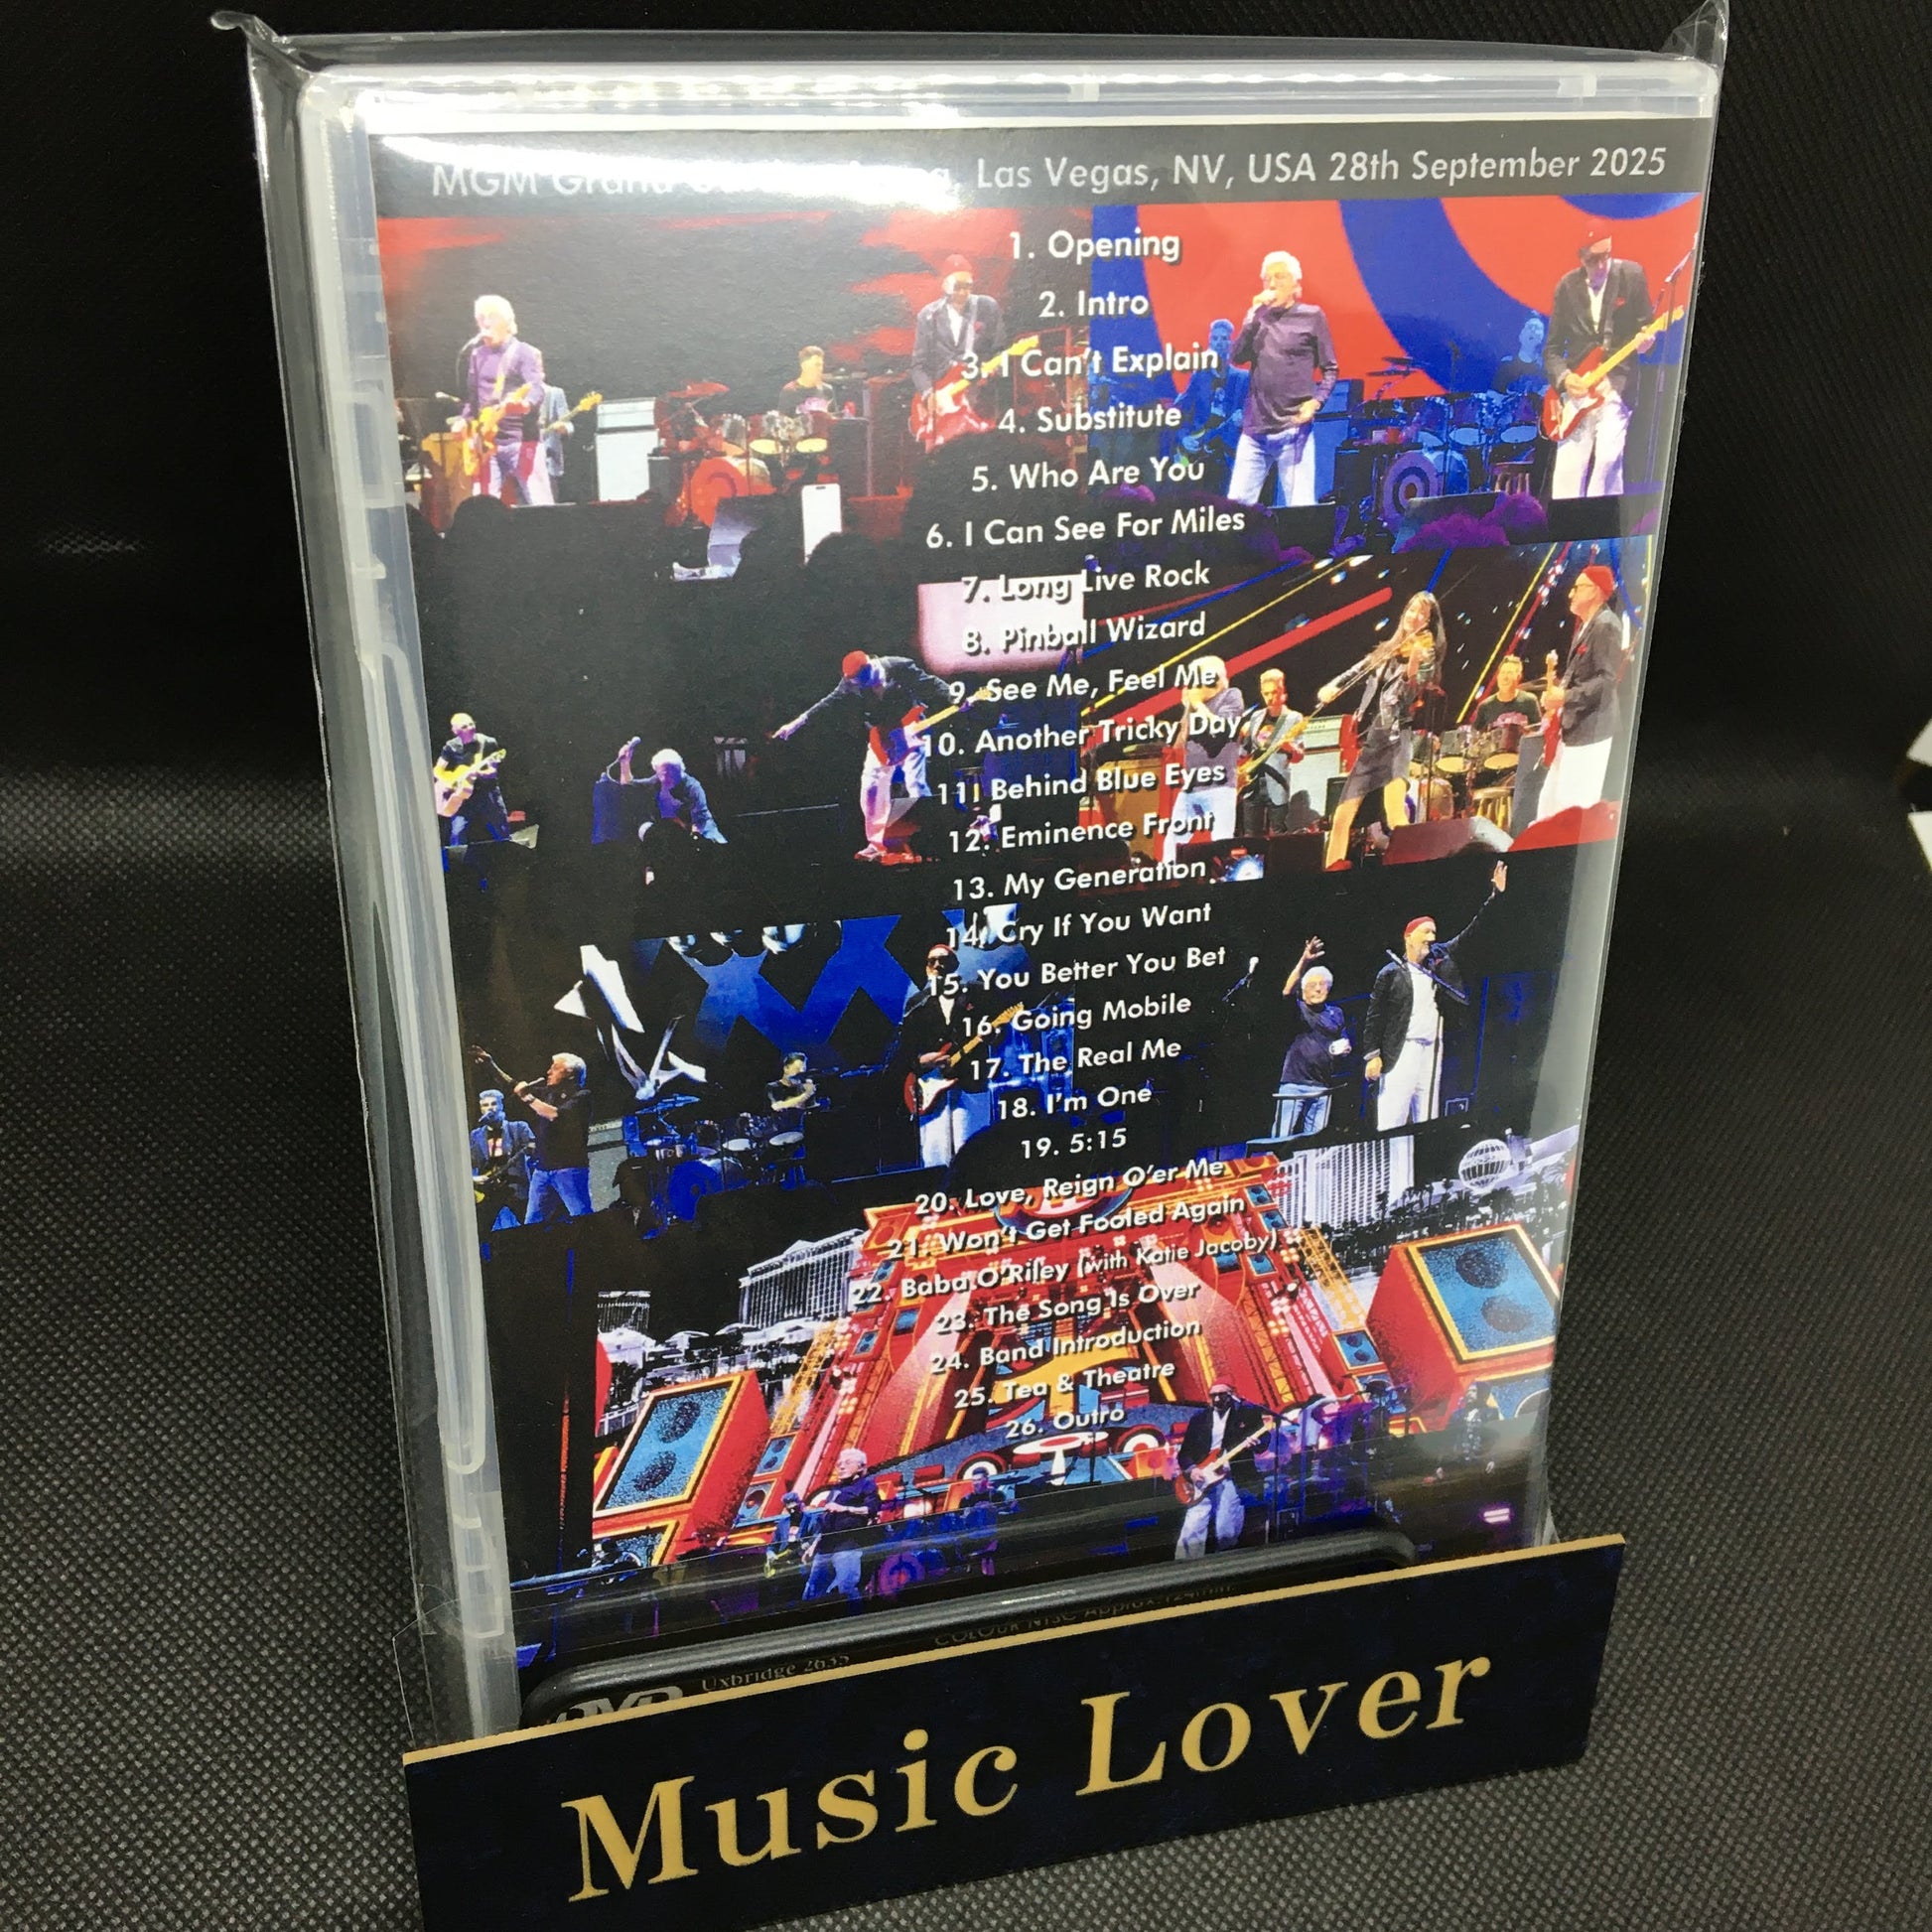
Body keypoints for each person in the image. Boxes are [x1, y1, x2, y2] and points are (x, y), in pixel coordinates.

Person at [772, 651, 959, 863]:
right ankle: (876, 844)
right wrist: (795, 724)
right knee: (871, 787)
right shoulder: (850, 683)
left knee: (916, 784)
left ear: (870, 666)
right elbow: (827, 704)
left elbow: (930, 683)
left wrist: (956, 697)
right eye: (855, 682)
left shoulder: (899, 666)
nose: (859, 686)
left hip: (912, 731)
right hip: (883, 737)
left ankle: (929, 838)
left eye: (861, 681)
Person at [1362, 863, 1507, 1131]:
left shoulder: (1439, 958)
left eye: (1434, 932)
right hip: (1401, 1050)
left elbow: (1472, 932)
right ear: (1409, 937)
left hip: (1431, 1049)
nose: (1432, 936)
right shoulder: (1390, 972)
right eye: (1426, 932)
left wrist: (1494, 897)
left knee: (1427, 1118)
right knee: (1392, 1118)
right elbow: (1374, 1018)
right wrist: (1373, 1056)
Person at [1319, 593, 1446, 870]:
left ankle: (1413, 867)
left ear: (1428, 622)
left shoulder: (1426, 654)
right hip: (1372, 743)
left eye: (1422, 614)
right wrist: (1332, 687)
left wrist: (1413, 664)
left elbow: (1410, 694)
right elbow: (1356, 671)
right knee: (1341, 817)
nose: (1414, 616)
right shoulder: (1387, 649)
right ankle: (1331, 872)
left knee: (1395, 813)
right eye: (1411, 609)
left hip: (1396, 740)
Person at [1545, 227, 1661, 499]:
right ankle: (1566, 522)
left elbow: (1647, 329)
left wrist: (1647, 342)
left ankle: (1603, 521)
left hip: (1617, 385)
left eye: (1606, 256)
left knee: (1608, 464)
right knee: (1568, 475)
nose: (1601, 266)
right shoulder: (1566, 287)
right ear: (1581, 258)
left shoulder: (1631, 275)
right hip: (1579, 389)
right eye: (1593, 260)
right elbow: (1551, 350)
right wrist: (1565, 378)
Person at [1227, 251, 1338, 508]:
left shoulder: (1312, 316)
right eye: (1267, 279)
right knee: (1235, 512)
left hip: (1294, 430)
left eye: (1279, 277)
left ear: (1295, 284)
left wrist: (1316, 402)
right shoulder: (1258, 319)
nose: (1272, 284)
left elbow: (1330, 369)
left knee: (1301, 509)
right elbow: (1236, 357)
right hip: (1255, 431)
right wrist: (1251, 316)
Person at [1535, 566, 1627, 821]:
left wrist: (1565, 697)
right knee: (1550, 805)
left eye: (1577, 587)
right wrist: (1556, 695)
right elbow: (1579, 674)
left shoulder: (1606, 625)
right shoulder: (1588, 625)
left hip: (1591, 731)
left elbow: (1606, 681)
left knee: (1572, 812)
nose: (1570, 594)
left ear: (1595, 591)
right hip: (1575, 729)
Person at [899, 943, 1000, 1169]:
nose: (937, 965)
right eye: (932, 961)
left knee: (972, 1149)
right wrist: (922, 1061)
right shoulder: (918, 1003)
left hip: (970, 1081)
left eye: (943, 960)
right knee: (935, 1153)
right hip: (931, 1085)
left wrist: (991, 1034)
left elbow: (1000, 1024)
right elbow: (905, 1050)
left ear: (955, 964)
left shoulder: (974, 992)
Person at [454, 295, 545, 505]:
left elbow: (536, 387)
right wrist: (464, 421)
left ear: (507, 322)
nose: (485, 323)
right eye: (480, 319)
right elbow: (474, 399)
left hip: (522, 440)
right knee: (483, 506)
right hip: (487, 445)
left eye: (491, 318)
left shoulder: (523, 352)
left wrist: (525, 404)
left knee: (539, 502)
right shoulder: (477, 355)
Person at [1164, 654, 1247, 863]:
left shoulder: (1231, 696)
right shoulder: (1194, 706)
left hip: (1220, 785)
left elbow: (1222, 729)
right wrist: (1188, 708)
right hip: (1192, 786)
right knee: (1173, 841)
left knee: (1221, 844)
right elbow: (1178, 744)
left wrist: (1198, 704)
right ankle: (1166, 873)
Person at [1174, 1382, 1270, 1560]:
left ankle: (1227, 1562)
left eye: (1222, 1394)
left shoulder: (1246, 1414)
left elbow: (1263, 1440)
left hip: (1231, 1476)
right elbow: (1185, 1453)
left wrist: (1256, 1443)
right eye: (1213, 1395)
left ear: (1232, 1395)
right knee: (1193, 1525)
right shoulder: (1199, 1418)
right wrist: (1192, 1470)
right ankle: (1185, 1566)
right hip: (1202, 1477)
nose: (1217, 1399)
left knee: (1227, 1526)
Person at [1275, 937, 1354, 1141]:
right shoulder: (1298, 1009)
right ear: (1303, 990)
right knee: (1281, 1139)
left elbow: (1343, 1041)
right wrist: (1305, 960)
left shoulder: (1336, 1013)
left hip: (1322, 1087)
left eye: (1323, 984)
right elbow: (1287, 991)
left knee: (1316, 1142)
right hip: (1294, 1084)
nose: (1319, 988)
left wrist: (1345, 1048)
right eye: (1313, 985)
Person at [1169, 317, 1250, 493]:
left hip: (1229, 453)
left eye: (1224, 338)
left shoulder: (1243, 378)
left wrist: (1244, 420)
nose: (1219, 343)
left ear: (1232, 344)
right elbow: (1179, 412)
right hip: (1199, 452)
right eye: (1215, 338)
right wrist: (1184, 438)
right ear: (1209, 343)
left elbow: (1255, 413)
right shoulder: (1199, 376)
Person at [509, 1053, 595, 1222]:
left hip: (569, 1169)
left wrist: (527, 1097)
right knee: (532, 1224)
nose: (548, 1072)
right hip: (542, 1170)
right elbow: (515, 1085)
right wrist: (490, 1065)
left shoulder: (583, 1096)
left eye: (555, 1068)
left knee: (583, 1218)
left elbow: (555, 1115)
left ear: (570, 1073)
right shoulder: (549, 1094)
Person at [910, 256, 1007, 403]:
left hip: (978, 398)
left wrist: (995, 369)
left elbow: (1001, 351)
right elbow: (918, 366)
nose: (962, 292)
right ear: (945, 285)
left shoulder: (986, 307)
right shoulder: (929, 315)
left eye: (967, 286)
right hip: (942, 400)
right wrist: (928, 394)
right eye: (957, 287)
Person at [1471, 653, 1545, 831]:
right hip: (1492, 767)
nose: (1505, 677)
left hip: (1521, 763)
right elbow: (1475, 736)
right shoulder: (1486, 706)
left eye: (1510, 673)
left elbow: (1539, 731)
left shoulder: (1529, 701)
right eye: (1502, 673)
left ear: (1518, 676)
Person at [1235, 666, 1308, 839]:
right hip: (1252, 784)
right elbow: (1244, 750)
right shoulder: (1255, 717)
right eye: (1266, 693)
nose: (1270, 697)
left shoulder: (1294, 718)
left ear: (1282, 692)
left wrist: (1289, 748)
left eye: (1274, 692)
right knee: (1250, 835)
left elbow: (1299, 755)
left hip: (1277, 782)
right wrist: (1240, 737)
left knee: (1279, 834)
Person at [803, 1448, 881, 1602]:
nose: (841, 1467)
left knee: (846, 1587)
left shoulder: (867, 1485)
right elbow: (827, 1519)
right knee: (812, 1590)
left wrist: (845, 1509)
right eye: (839, 1464)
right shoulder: (836, 1489)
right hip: (825, 1547)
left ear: (860, 1467)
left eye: (847, 1463)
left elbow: (871, 1509)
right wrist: (814, 1545)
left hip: (847, 1544)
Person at [433, 712, 509, 846]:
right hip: (462, 796)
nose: (470, 728)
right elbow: (438, 770)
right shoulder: (451, 746)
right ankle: (457, 858)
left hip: (487, 793)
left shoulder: (487, 742)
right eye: (464, 727)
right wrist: (449, 781)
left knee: (501, 830)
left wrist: (477, 773)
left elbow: (492, 772)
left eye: (471, 724)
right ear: (455, 731)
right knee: (457, 833)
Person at [470, 1089, 535, 1232]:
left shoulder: (518, 1128)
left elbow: (533, 1149)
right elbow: (469, 1163)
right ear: (481, 1109)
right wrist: (474, 1178)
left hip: (516, 1188)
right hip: (490, 1191)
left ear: (501, 1106)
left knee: (532, 1227)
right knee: (480, 1230)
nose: (490, 1108)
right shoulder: (475, 1135)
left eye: (494, 1104)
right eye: (485, 1105)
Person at [528, 380, 574, 505]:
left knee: (548, 502)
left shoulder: (554, 393)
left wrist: (564, 428)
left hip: (547, 459)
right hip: (524, 459)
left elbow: (568, 424)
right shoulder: (517, 394)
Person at [1492, 314, 1550, 396]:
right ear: (1520, 334)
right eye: (1529, 327)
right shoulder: (1506, 364)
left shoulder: (1546, 367)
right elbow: (1495, 394)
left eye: (1538, 328)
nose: (1533, 331)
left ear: (1542, 337)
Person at [766, 1051, 818, 1117]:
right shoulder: (772, 1087)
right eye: (797, 1068)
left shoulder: (802, 1086)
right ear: (786, 1068)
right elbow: (776, 1107)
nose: (801, 1071)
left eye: (803, 1068)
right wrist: (806, 1094)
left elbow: (810, 1108)